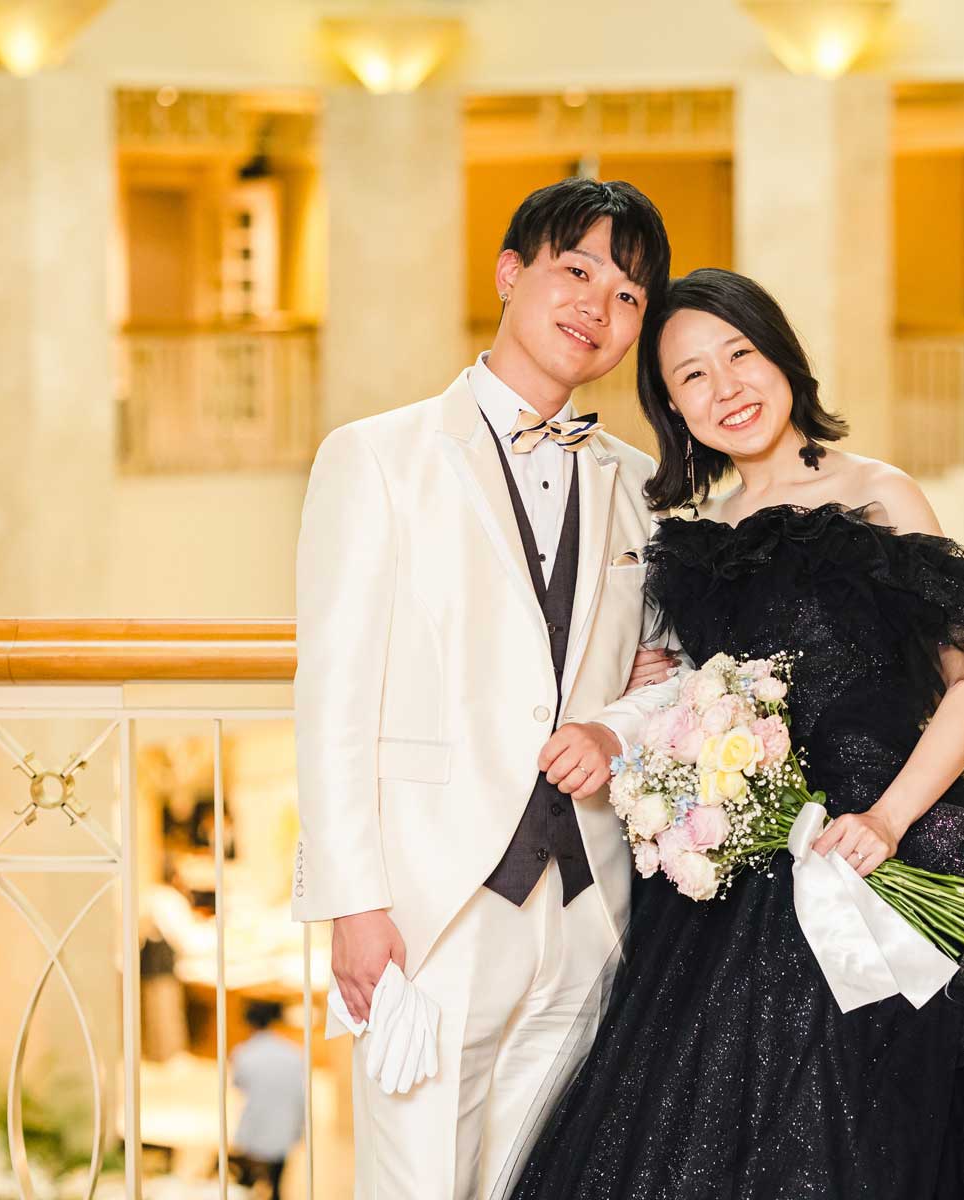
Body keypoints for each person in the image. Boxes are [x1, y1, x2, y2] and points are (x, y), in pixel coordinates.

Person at [505, 269, 964, 1198]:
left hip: (896, 848)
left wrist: (887, 820)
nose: (726, 387)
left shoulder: (878, 494)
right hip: (742, 875)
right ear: (672, 407)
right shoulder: (691, 544)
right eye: (692, 376)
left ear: (783, 358)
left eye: (741, 354)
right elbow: (690, 686)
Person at [292, 177, 679, 1199]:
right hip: (430, 908)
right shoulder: (377, 457)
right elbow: (333, 698)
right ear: (510, 274)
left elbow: (668, 673)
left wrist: (621, 719)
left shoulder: (639, 484)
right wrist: (353, 904)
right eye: (576, 270)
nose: (598, 306)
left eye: (628, 295)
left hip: (588, 911)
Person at [229, 1000, 305, 1200]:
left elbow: (238, 1084)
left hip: (255, 1125)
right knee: (277, 1185)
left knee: (247, 1184)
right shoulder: (292, 1052)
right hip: (284, 1125)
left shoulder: (244, 1053)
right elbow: (300, 1094)